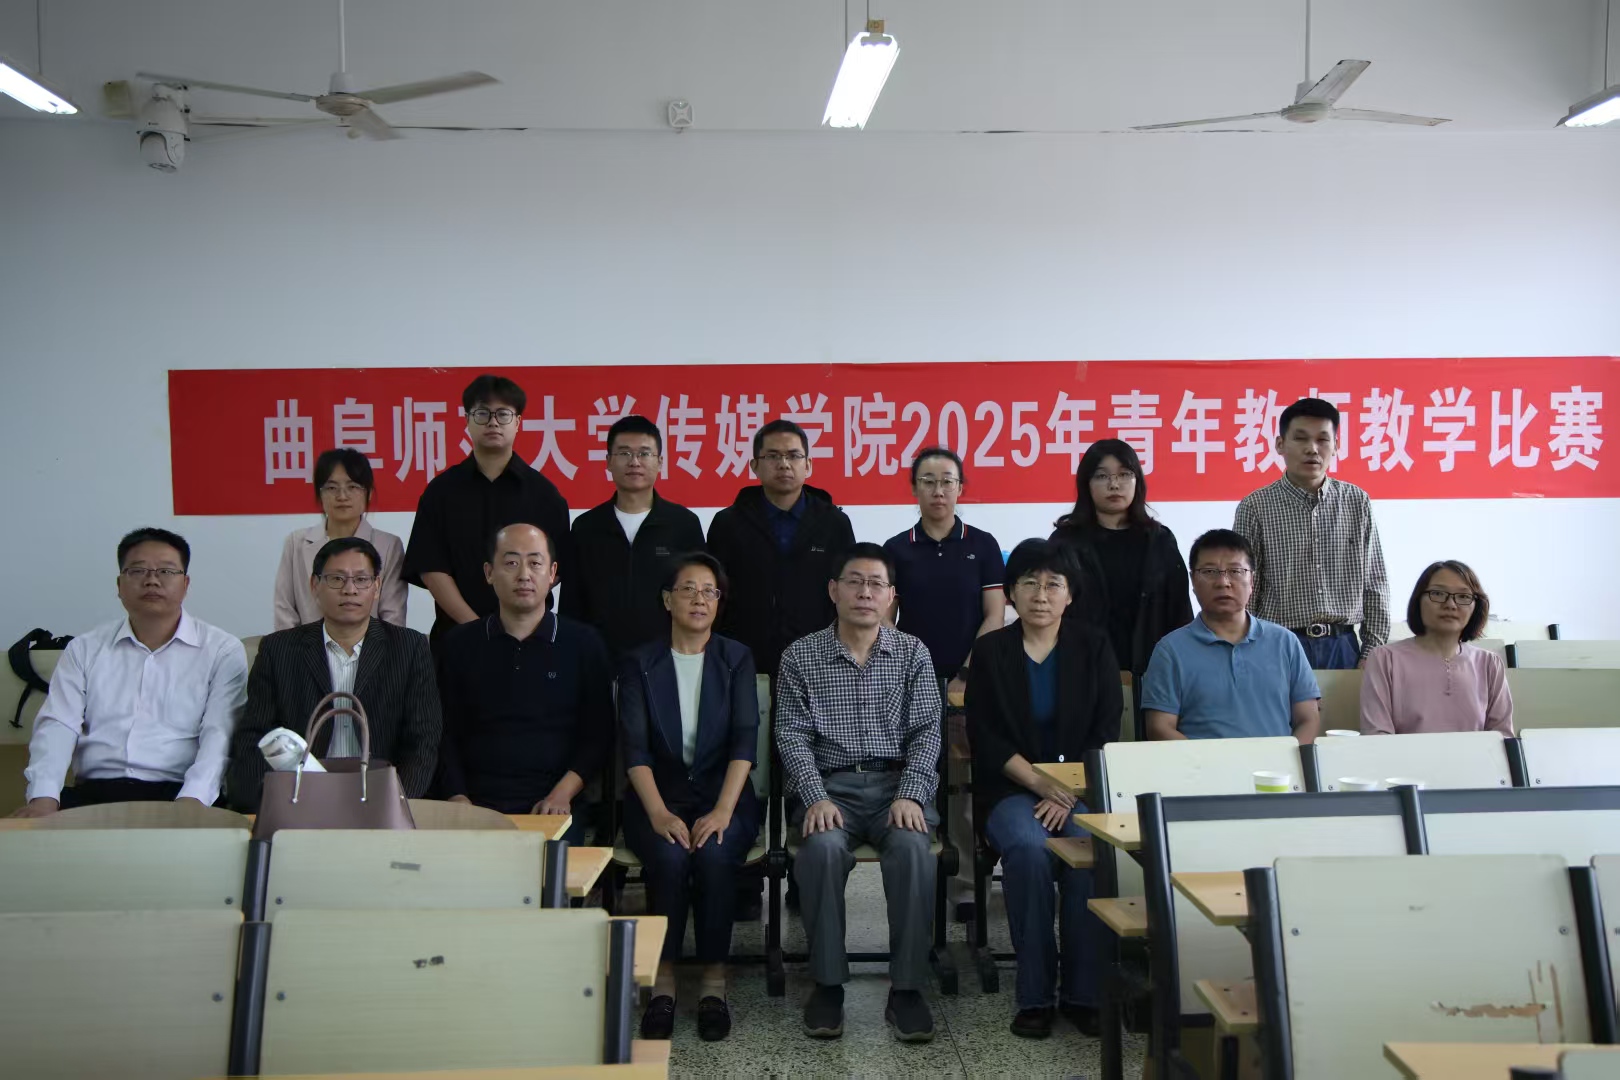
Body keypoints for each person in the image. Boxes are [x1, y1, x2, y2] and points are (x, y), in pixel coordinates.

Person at [775, 543, 943, 1043]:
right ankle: (828, 984)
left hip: (897, 787)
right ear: (834, 590)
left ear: (891, 596)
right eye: (854, 581)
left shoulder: (913, 652)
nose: (865, 593)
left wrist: (911, 794)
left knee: (912, 849)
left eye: (876, 584)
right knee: (821, 850)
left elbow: (928, 732)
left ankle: (907, 988)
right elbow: (791, 735)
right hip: (831, 787)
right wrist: (814, 796)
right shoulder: (800, 655)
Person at [966, 539, 1120, 1038]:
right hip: (1010, 790)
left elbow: (1105, 729)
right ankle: (1034, 996)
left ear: (1070, 594)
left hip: (1079, 790)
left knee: (1087, 849)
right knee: (1030, 851)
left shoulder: (1093, 645)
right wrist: (1041, 785)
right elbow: (985, 735)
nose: (1040, 594)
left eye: (1054, 584)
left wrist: (1068, 792)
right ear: (1010, 592)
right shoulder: (991, 651)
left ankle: (1083, 993)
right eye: (1029, 583)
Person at [619, 553, 761, 1043]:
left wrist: (722, 810)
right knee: (669, 857)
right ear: (667, 599)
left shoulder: (736, 657)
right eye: (688, 589)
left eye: (710, 591)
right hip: (657, 796)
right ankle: (663, 981)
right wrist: (658, 812)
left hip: (726, 795)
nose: (700, 599)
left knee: (716, 855)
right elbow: (634, 748)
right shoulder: (639, 662)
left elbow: (745, 740)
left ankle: (713, 983)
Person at [13, 528, 247, 817]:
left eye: (166, 571)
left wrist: (193, 800)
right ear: (119, 585)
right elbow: (58, 725)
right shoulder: (84, 648)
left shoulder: (221, 649)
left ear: (186, 584)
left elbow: (220, 733)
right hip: (94, 795)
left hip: (180, 793)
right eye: (137, 570)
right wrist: (44, 798)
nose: (152, 580)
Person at [882, 445, 1004, 923]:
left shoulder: (983, 544)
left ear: (961, 488)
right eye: (928, 481)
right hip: (910, 683)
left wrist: (965, 675)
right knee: (916, 776)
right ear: (914, 489)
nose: (938, 490)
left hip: (969, 683)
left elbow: (994, 616)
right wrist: (910, 669)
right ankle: (921, 879)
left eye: (947, 481)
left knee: (962, 785)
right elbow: (886, 621)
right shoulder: (896, 548)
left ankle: (966, 887)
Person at [227, 537, 441, 810]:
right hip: (299, 796)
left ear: (377, 587)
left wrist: (396, 803)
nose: (349, 590)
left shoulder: (409, 648)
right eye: (337, 579)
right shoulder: (278, 649)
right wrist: (266, 804)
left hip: (381, 796)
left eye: (361, 579)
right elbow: (254, 737)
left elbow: (423, 739)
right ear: (314, 585)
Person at [435, 524, 613, 844]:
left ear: (552, 573)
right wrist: (456, 796)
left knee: (547, 869)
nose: (524, 575)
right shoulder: (459, 644)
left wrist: (562, 794)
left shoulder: (584, 644)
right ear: (489, 572)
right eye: (511, 562)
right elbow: (443, 732)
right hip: (474, 800)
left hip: (552, 800)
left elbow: (598, 734)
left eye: (535, 563)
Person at [403, 374, 572, 649]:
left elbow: (557, 566)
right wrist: (475, 628)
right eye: (482, 413)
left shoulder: (545, 495)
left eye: (503, 414)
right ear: (467, 420)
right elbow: (431, 567)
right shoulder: (440, 492)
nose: (493, 422)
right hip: (456, 639)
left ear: (518, 422)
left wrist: (516, 621)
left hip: (530, 639)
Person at [1234, 397, 1390, 670]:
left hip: (1343, 646)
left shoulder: (1356, 501)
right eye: (1301, 438)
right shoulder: (1255, 506)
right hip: (1277, 644)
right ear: (1280, 444)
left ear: (1336, 446)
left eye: (1322, 439)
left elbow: (1375, 582)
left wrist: (1371, 651)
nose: (1312, 449)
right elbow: (1246, 587)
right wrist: (1249, 649)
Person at [707, 419, 856, 680]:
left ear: (808, 465)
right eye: (773, 456)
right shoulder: (727, 524)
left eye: (794, 456)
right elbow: (714, 594)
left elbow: (847, 592)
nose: (784, 464)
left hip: (819, 661)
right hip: (743, 661)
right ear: (754, 465)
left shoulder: (834, 523)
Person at [1142, 529, 1321, 743]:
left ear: (1252, 580)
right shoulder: (1170, 650)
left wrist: (1285, 759)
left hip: (1276, 764)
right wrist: (1208, 761)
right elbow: (1159, 727)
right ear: (1193, 581)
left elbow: (1308, 719)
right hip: (1202, 764)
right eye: (1209, 571)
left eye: (1235, 571)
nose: (1223, 582)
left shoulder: (1285, 642)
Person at [562, 415, 705, 659]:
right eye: (624, 453)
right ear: (608, 462)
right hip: (599, 661)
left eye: (644, 453)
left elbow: (701, 596)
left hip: (668, 660)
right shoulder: (586, 527)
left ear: (660, 462)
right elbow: (571, 603)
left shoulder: (684, 524)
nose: (634, 462)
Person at [1050, 439, 1192, 679]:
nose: (1114, 484)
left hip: (1152, 672)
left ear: (1137, 481)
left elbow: (1180, 612)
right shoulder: (1065, 541)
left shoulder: (1160, 540)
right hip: (1082, 671)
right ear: (1086, 484)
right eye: (1102, 476)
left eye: (1124, 474)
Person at [1361, 561, 1513, 735]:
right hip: (1403, 754)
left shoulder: (1489, 664)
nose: (1451, 605)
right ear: (1418, 600)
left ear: (1476, 606)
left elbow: (1502, 738)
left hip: (1477, 755)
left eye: (1463, 596)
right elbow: (1377, 737)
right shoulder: (1384, 659)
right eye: (1438, 593)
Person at [273, 448, 406, 630]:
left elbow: (393, 617)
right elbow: (285, 611)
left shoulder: (389, 545)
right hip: (304, 645)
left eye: (352, 487)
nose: (342, 496)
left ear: (368, 492)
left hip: (373, 646)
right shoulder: (296, 543)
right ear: (320, 493)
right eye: (332, 488)